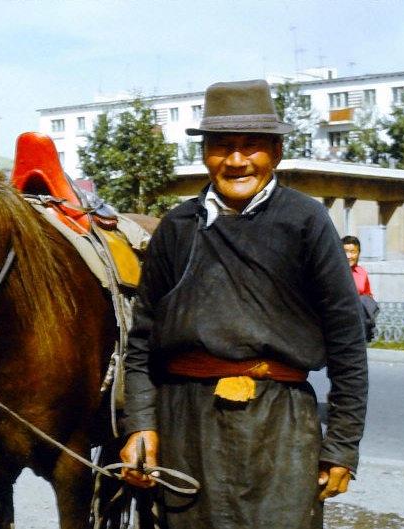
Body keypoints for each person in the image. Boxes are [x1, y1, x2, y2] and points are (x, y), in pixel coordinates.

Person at [119, 80, 368, 528]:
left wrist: (342, 445)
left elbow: (346, 340)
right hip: (185, 422)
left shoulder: (305, 220)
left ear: (275, 150)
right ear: (204, 154)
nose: (236, 161)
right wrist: (140, 424)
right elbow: (141, 341)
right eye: (222, 147)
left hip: (281, 421)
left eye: (251, 146)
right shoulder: (178, 227)